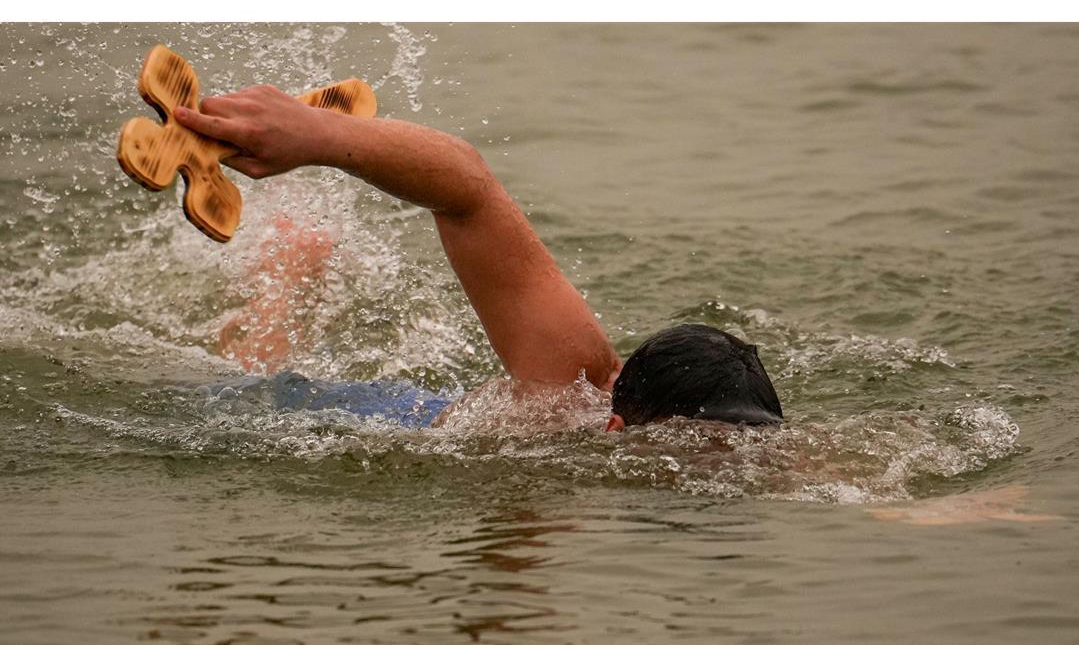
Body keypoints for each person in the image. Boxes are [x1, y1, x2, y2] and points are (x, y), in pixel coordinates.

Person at [173, 85, 783, 432]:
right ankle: (286, 273)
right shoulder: (568, 387)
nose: (731, 469)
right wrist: (320, 136)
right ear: (617, 423)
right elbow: (468, 190)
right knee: (242, 388)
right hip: (382, 419)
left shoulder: (763, 440)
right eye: (704, 450)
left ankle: (297, 260)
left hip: (445, 407)